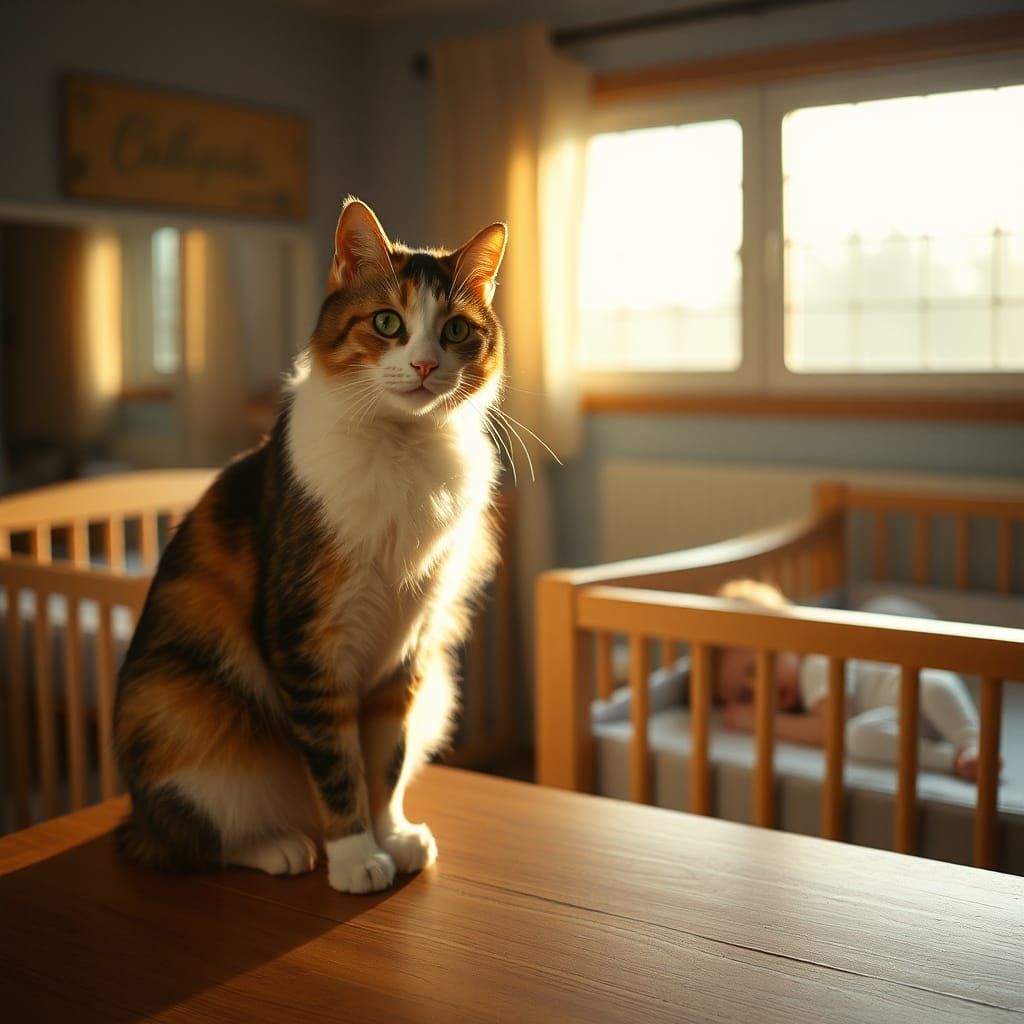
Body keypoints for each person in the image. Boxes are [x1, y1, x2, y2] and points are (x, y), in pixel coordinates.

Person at [713, 579, 990, 782]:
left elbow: (828, 730)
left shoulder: (818, 661)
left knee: (932, 685)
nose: (761, 691)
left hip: (921, 690)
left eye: (756, 669)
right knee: (858, 737)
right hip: (900, 720)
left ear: (783, 633)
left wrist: (756, 721)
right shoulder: (805, 693)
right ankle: (951, 759)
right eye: (745, 697)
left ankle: (971, 742)